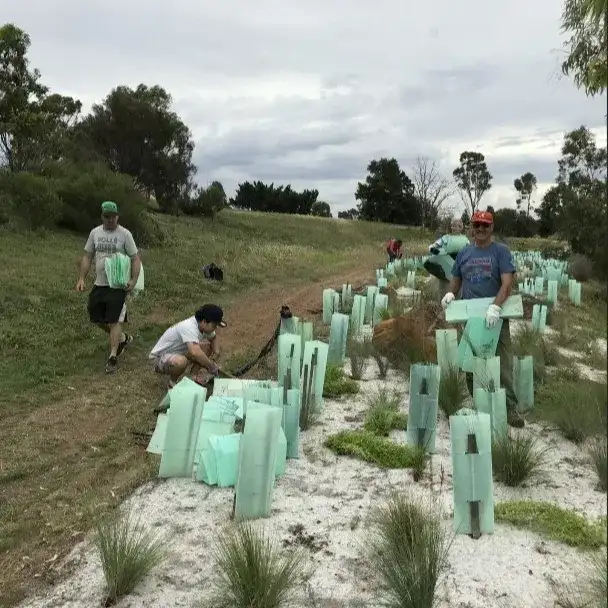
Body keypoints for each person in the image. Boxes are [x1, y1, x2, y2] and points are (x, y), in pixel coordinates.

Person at [440, 210, 524, 428]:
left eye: (485, 226)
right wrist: (450, 293)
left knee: (502, 363)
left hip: (497, 316)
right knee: (470, 363)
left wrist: (495, 307)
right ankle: (480, 401)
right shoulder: (464, 253)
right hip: (471, 317)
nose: (480, 229)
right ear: (471, 227)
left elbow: (507, 284)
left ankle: (510, 408)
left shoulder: (500, 252)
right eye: (476, 225)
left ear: (491, 228)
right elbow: (457, 279)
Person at [76, 201, 141, 374]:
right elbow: (88, 256)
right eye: (107, 216)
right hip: (100, 283)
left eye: (113, 216)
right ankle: (122, 338)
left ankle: (113, 357)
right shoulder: (95, 233)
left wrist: (133, 280)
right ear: (102, 216)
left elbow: (135, 258)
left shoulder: (125, 235)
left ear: (117, 216)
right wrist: (81, 278)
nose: (110, 219)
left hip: (118, 284)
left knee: (114, 320)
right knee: (95, 316)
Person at [149, 304, 227, 388]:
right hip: (159, 358)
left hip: (178, 353)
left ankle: (192, 377)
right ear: (204, 321)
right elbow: (194, 352)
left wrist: (216, 354)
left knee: (207, 347)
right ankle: (172, 383)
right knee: (181, 361)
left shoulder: (202, 325)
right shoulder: (189, 327)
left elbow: (213, 338)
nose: (215, 329)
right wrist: (210, 366)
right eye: (214, 326)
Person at [428, 218, 470, 300]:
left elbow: (469, 252)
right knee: (444, 291)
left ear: (461, 227)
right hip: (444, 267)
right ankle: (442, 309)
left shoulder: (465, 240)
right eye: (453, 226)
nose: (454, 228)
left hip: (459, 268)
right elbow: (433, 246)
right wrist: (434, 250)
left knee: (457, 290)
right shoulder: (446, 238)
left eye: (457, 226)